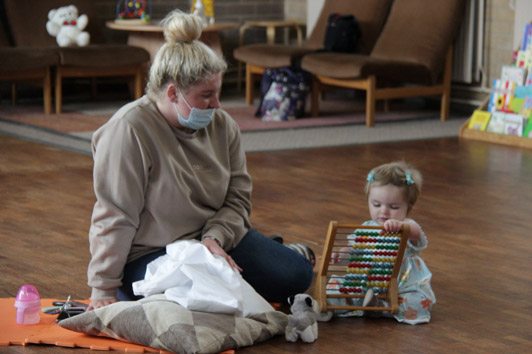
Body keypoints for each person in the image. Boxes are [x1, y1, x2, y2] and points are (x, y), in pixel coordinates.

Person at [86, 10, 313, 311]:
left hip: (214, 242)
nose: (217, 105)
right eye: (206, 95)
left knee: (296, 274)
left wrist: (215, 238)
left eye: (218, 93)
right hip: (152, 252)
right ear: (172, 92)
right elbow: (115, 215)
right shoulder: (129, 129)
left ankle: (266, 256)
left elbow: (237, 200)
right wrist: (102, 286)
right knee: (198, 300)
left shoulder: (223, 125)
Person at [328, 161, 435, 325]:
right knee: (337, 287)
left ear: (408, 206)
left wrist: (400, 227)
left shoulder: (407, 225)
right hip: (367, 283)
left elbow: (416, 233)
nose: (383, 211)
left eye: (393, 206)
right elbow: (353, 250)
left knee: (418, 302)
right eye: (376, 204)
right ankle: (330, 306)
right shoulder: (365, 228)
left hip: (401, 287)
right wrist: (340, 255)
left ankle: (382, 307)